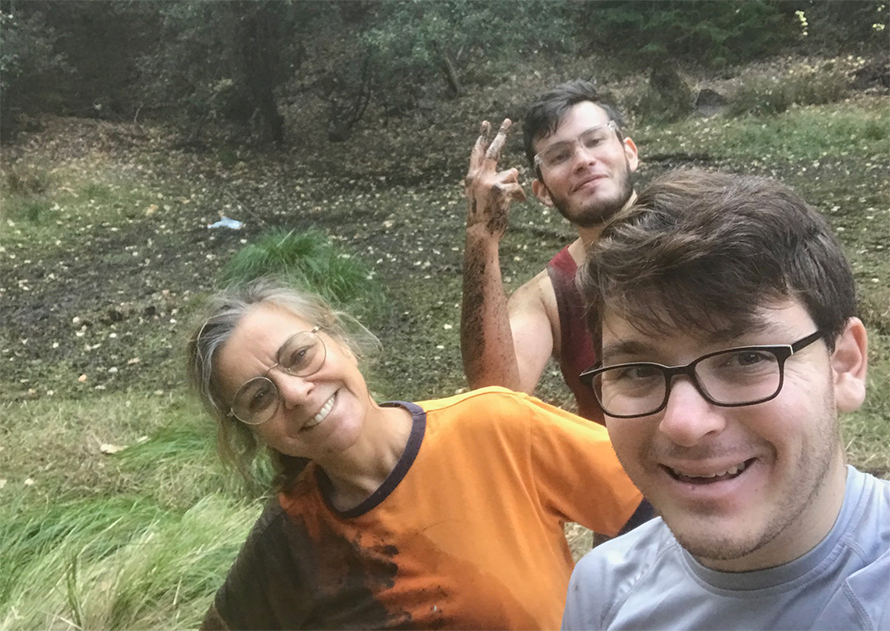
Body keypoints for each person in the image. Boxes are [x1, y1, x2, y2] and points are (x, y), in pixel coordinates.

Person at [187, 278, 648, 630]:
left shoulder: (494, 428)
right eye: (258, 398)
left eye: (299, 355)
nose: (295, 392)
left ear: (339, 339)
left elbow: (662, 514)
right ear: (252, 431)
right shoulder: (289, 540)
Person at [562, 170, 890, 631]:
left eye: (746, 358)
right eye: (636, 372)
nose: (684, 422)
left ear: (845, 365)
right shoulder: (602, 594)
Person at [461, 80, 639, 421]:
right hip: (614, 470)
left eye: (595, 140)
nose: (583, 161)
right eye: (559, 156)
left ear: (630, 153)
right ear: (541, 191)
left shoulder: (706, 232)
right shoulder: (550, 296)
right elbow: (497, 394)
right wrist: (481, 234)